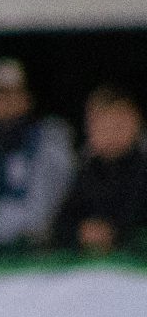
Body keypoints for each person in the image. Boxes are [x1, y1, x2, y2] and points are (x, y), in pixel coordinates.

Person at [0, 57, 74, 246]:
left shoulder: (49, 138)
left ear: (25, 98)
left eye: (9, 95)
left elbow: (58, 195)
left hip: (39, 249)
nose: (3, 104)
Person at [55, 85, 146, 255]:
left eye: (118, 124)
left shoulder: (142, 170)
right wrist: (80, 232)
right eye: (101, 124)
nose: (110, 133)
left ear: (135, 122)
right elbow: (61, 223)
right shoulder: (87, 172)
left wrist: (113, 233)